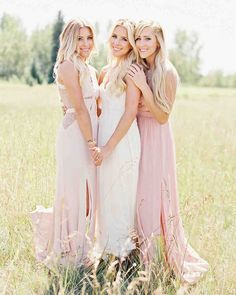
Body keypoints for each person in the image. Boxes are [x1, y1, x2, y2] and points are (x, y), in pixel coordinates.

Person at [128, 20, 209, 284]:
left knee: (153, 195)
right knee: (136, 194)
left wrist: (144, 87)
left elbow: (163, 116)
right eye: (138, 39)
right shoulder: (138, 67)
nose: (141, 44)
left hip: (156, 137)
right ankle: (134, 254)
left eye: (147, 39)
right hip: (136, 134)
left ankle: (154, 261)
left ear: (159, 42)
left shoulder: (168, 73)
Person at [31, 19, 100, 267]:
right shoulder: (68, 66)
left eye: (89, 38)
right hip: (76, 137)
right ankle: (68, 251)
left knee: (89, 196)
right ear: (70, 40)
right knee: (74, 193)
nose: (85, 43)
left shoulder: (89, 69)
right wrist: (92, 143)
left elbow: (93, 107)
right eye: (79, 38)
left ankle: (83, 248)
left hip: (89, 133)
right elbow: (79, 108)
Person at [93, 19, 141, 259]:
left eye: (124, 38)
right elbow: (101, 109)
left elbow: (131, 112)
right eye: (115, 36)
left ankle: (124, 255)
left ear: (132, 44)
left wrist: (109, 147)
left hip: (122, 140)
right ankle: (105, 249)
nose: (118, 43)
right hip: (104, 134)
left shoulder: (132, 71)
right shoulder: (104, 71)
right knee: (105, 193)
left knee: (121, 193)